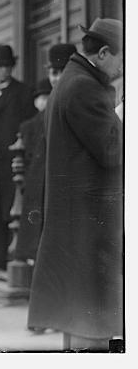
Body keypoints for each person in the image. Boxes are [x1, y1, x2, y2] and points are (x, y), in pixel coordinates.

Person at [28, 18, 123, 350]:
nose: (122, 69)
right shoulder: (85, 87)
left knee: (77, 318)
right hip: (89, 225)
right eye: (122, 61)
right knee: (91, 321)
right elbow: (114, 151)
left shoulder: (71, 80)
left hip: (75, 221)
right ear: (105, 53)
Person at [0, 45, 36, 274]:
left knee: (12, 211)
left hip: (14, 165)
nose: (4, 71)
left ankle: (17, 258)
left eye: (8, 66)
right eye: (0, 66)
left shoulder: (24, 94)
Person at [13, 43, 74, 264]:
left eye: (61, 73)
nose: (56, 79)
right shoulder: (50, 107)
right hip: (43, 180)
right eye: (52, 73)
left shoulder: (76, 101)